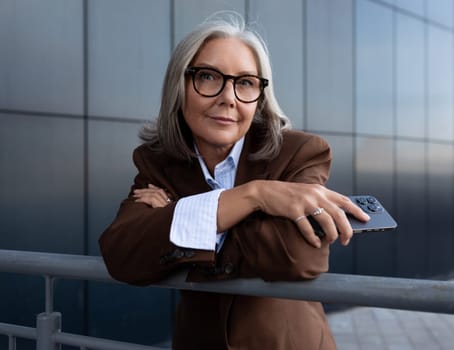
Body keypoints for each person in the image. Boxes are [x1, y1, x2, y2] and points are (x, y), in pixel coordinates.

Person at [99, 12, 369, 350]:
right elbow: (122, 255)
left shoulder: (299, 153)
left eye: (245, 82)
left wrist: (179, 217)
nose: (228, 97)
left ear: (258, 98)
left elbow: (299, 257)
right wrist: (256, 196)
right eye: (209, 77)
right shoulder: (157, 162)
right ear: (179, 87)